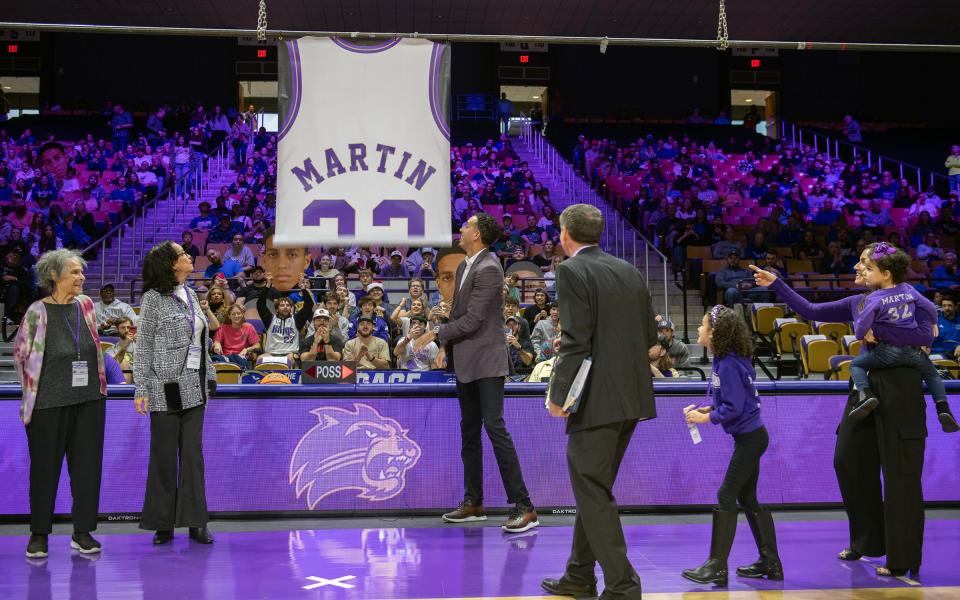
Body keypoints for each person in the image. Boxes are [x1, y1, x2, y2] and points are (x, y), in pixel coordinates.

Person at [749, 245, 932, 578]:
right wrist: (776, 283)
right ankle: (868, 541)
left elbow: (928, 333)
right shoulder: (858, 302)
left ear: (886, 272)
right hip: (863, 390)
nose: (856, 267)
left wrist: (884, 332)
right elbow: (811, 309)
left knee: (900, 477)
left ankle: (903, 557)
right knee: (848, 461)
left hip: (901, 391)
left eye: (864, 263)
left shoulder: (910, 299)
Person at [539, 204, 657, 600]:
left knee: (592, 489)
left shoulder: (571, 270)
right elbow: (648, 337)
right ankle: (579, 574)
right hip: (632, 398)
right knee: (594, 488)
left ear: (565, 234)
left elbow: (576, 341)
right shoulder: (629, 270)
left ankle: (623, 586)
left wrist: (559, 396)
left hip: (596, 401)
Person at [413, 213, 537, 533]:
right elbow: (463, 315)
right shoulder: (469, 264)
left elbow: (473, 322)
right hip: (467, 360)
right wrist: (446, 346)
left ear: (478, 234)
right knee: (469, 430)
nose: (463, 228)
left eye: (468, 225)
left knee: (494, 427)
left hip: (488, 361)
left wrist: (435, 335)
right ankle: (474, 501)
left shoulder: (490, 267)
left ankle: (524, 505)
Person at [14, 249, 107, 558]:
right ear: (54, 276)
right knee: (45, 470)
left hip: (89, 399)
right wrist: (35, 389)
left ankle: (83, 532)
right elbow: (21, 355)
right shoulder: (36, 311)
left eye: (81, 272)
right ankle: (39, 534)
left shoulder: (87, 305)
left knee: (87, 469)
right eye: (74, 272)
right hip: (48, 403)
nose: (81, 277)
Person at [682, 305, 782, 585]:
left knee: (726, 495)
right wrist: (706, 410)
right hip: (751, 437)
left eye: (703, 326)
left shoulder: (726, 363)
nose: (699, 330)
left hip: (750, 439)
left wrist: (708, 418)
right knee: (747, 498)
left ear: (715, 333)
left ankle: (717, 565)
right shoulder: (727, 359)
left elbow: (734, 407)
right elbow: (731, 399)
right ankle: (771, 563)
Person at [133, 241, 216, 546]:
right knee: (164, 457)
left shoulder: (192, 295)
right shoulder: (153, 299)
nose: (188, 257)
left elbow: (201, 342)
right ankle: (162, 523)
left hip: (195, 385)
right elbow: (143, 348)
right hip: (164, 387)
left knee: (193, 457)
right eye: (182, 254)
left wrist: (212, 375)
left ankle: (196, 522)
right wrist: (140, 387)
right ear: (170, 264)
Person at [841, 243, 958, 432]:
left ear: (886, 274)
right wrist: (934, 322)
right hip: (913, 352)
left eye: (870, 269)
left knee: (856, 365)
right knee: (932, 374)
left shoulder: (875, 297)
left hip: (888, 351)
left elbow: (862, 324)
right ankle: (943, 408)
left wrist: (861, 334)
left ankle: (865, 395)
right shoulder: (908, 289)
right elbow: (929, 307)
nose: (866, 272)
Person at [211, 304, 261, 368]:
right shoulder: (223, 327)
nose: (236, 316)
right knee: (213, 359)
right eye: (233, 314)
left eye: (238, 313)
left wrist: (247, 349)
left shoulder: (248, 327)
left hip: (241, 357)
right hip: (225, 356)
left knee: (239, 360)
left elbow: (257, 345)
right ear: (229, 316)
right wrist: (217, 344)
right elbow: (216, 342)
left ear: (242, 314)